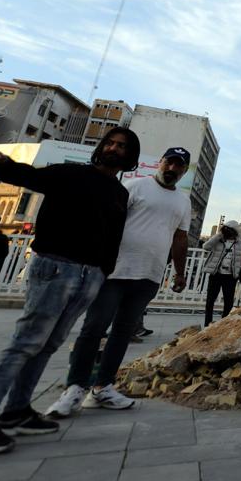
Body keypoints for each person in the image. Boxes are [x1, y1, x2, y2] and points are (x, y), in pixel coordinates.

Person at [0, 129, 137, 455]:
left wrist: (104, 270)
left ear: (129, 157)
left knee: (49, 344)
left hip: (90, 275)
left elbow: (112, 237)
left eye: (122, 147)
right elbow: (29, 176)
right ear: (101, 147)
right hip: (55, 267)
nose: (114, 149)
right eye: (110, 143)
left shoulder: (120, 193)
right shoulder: (72, 173)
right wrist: (0, 165)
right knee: (26, 342)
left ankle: (16, 411)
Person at [47, 147, 191, 418]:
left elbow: (180, 238)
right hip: (115, 271)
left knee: (123, 332)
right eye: (169, 162)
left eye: (178, 166)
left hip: (150, 274)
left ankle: (103, 386)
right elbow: (109, 221)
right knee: (94, 328)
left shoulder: (183, 202)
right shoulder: (135, 186)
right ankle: (75, 387)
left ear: (183, 170)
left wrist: (180, 273)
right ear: (160, 163)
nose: (172, 169)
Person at [202, 220, 241, 326]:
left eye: (229, 230)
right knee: (210, 300)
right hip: (216, 274)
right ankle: (207, 323)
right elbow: (206, 247)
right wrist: (218, 235)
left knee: (228, 301)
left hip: (230, 276)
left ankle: (223, 323)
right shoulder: (218, 240)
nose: (227, 232)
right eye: (225, 230)